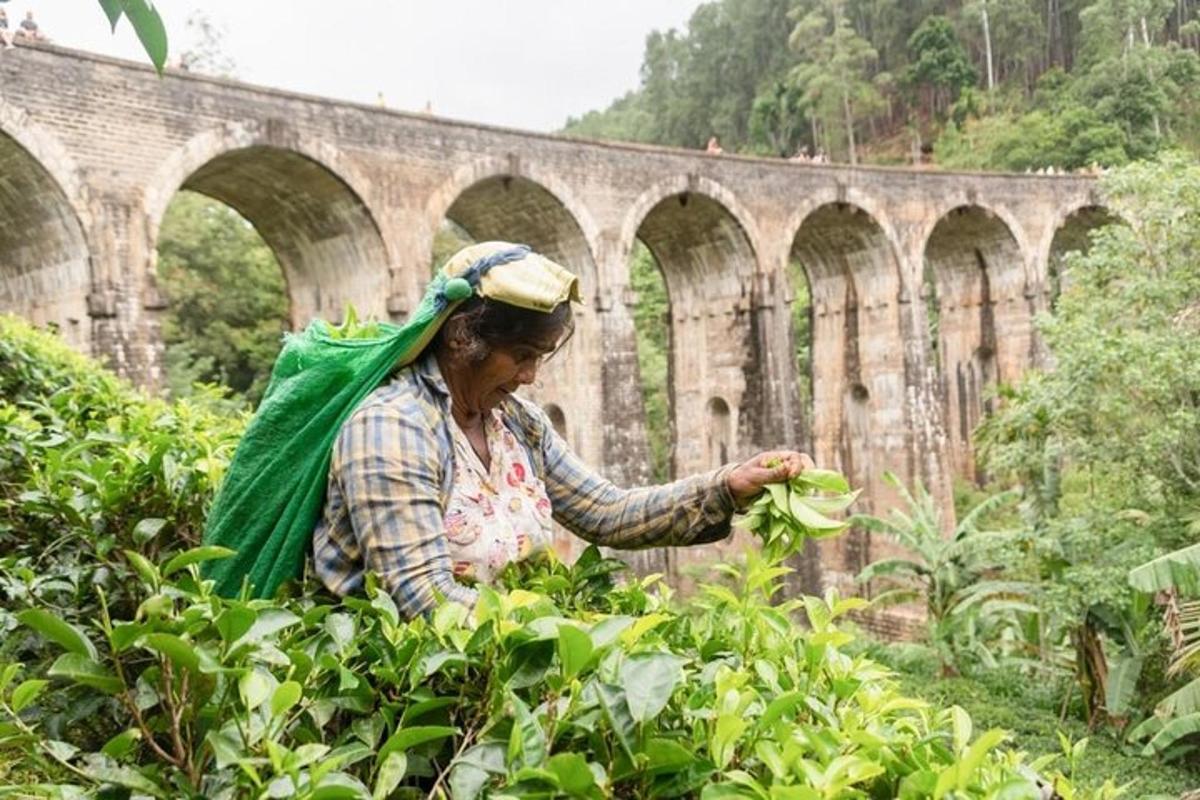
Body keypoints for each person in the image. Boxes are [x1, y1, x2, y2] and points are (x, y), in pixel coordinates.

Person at [311, 241, 815, 618]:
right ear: (463, 336)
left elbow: (606, 512)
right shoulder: (393, 428)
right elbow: (424, 599)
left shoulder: (516, 423)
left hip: (494, 672)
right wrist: (568, 638)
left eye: (540, 357)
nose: (531, 376)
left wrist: (729, 487)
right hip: (397, 705)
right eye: (523, 356)